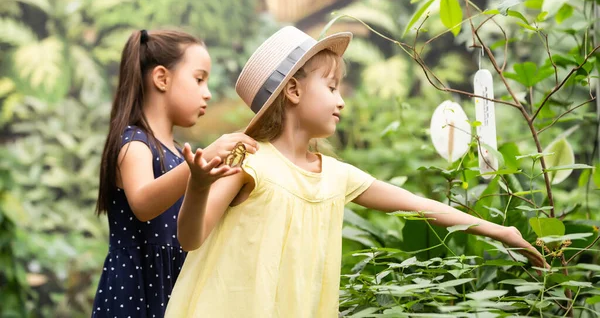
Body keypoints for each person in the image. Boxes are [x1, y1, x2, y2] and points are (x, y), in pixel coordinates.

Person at [166, 26, 546, 317]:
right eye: (331, 87)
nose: (341, 100)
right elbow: (191, 238)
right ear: (294, 91)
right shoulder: (249, 161)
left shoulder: (335, 176)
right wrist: (198, 186)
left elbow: (418, 204)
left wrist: (501, 230)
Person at [92, 29, 257, 317]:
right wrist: (200, 164)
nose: (207, 92)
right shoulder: (135, 143)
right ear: (161, 78)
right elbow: (143, 204)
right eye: (199, 79)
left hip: (174, 280)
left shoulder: (176, 151)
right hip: (136, 286)